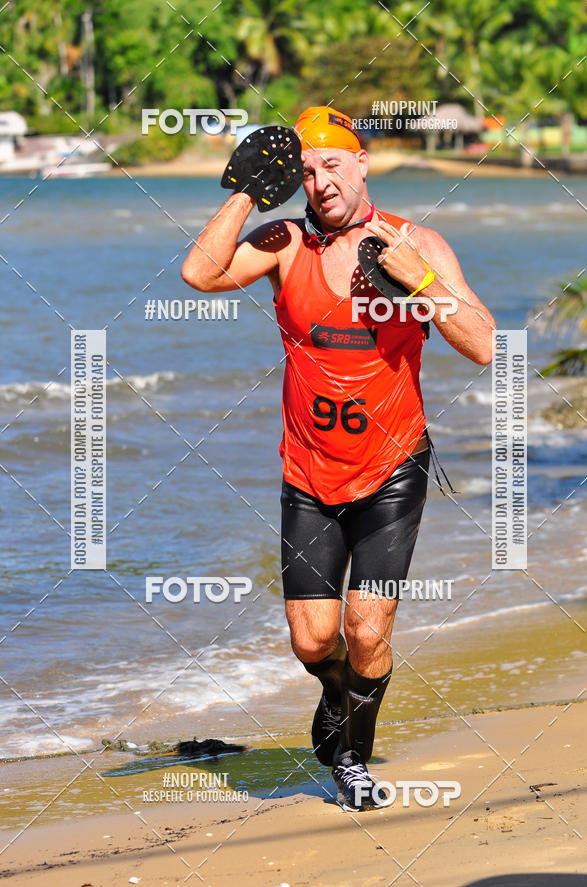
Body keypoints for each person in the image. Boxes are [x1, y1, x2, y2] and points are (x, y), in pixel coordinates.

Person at [181, 106, 496, 811]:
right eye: (306, 169)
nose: (320, 181)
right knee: (314, 637)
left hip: (392, 470)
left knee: (366, 628)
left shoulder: (416, 242)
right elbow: (200, 274)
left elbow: (482, 344)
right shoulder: (285, 241)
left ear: (361, 164)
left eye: (333, 164)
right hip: (309, 471)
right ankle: (336, 698)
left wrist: (418, 282)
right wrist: (246, 192)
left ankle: (351, 753)